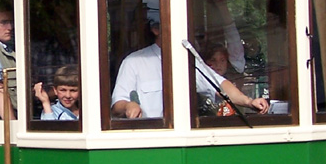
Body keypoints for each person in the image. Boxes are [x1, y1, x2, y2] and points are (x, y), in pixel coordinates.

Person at [111, 22, 269, 119]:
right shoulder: (134, 62)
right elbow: (117, 104)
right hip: (148, 142)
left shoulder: (188, 60)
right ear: (156, 30)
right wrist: (128, 106)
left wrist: (249, 102)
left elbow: (219, 85)